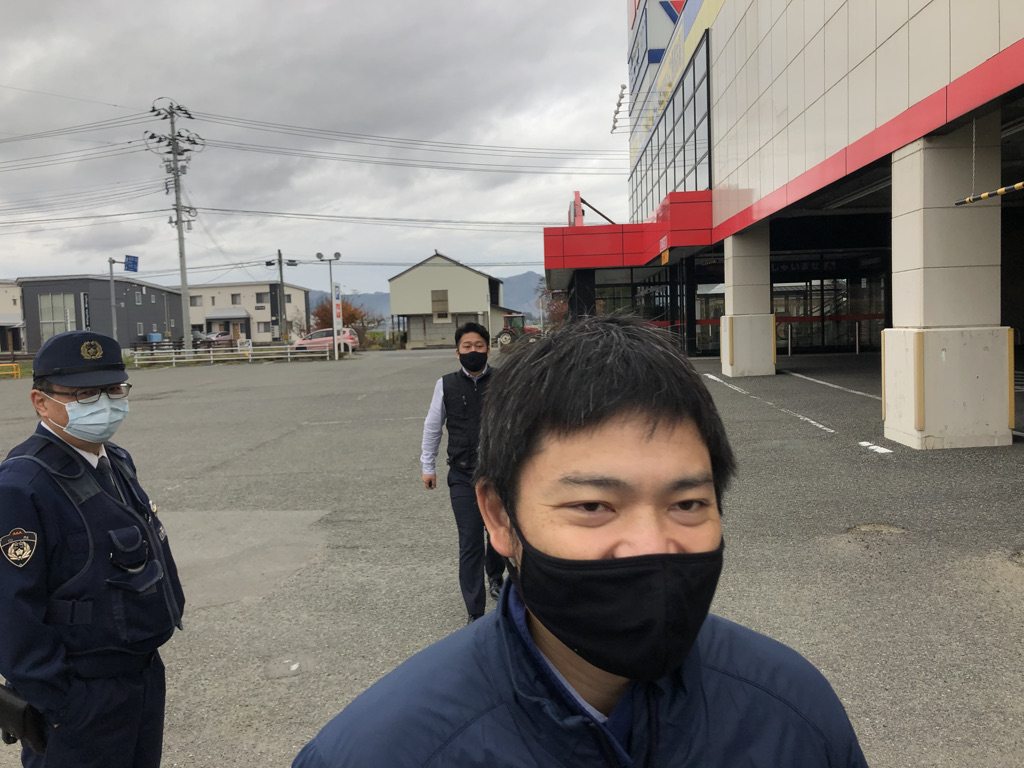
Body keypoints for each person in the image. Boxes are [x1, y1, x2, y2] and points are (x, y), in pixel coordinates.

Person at [293, 315, 868, 768]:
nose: (650, 545)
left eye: (688, 504)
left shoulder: (798, 715)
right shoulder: (380, 753)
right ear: (499, 515)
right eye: (593, 506)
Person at [0, 331, 185, 768]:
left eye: (113, 389)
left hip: (139, 676)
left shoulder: (114, 460)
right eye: (84, 394)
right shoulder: (22, 486)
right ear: (41, 402)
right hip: (82, 693)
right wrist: (61, 702)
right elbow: (10, 611)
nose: (104, 403)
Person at [420, 322, 506, 624]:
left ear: (488, 350)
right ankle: (475, 612)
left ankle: (495, 576)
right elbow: (433, 426)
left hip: (498, 474)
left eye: (479, 346)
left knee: (497, 532)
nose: (473, 351)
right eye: (467, 346)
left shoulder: (504, 381)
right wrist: (427, 465)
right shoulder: (446, 385)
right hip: (462, 474)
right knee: (470, 541)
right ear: (457, 352)